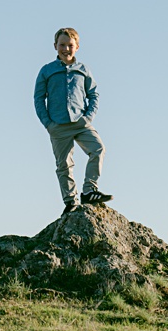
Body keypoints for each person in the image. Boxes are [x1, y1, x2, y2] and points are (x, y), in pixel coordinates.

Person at [34, 27, 113, 215]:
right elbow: (38, 98)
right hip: (58, 126)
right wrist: (48, 123)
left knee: (98, 149)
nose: (66, 49)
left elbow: (94, 94)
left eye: (70, 45)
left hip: (81, 123)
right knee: (64, 165)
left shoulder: (83, 70)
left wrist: (88, 117)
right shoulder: (47, 71)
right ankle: (70, 201)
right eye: (62, 45)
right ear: (55, 46)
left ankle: (89, 190)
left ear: (77, 47)